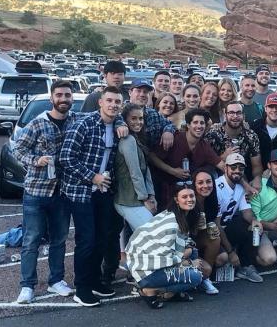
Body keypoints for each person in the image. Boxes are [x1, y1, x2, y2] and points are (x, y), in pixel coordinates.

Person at [59, 86, 125, 306]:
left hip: (104, 191)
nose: (113, 105)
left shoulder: (117, 125)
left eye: (117, 102)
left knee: (102, 238)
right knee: (86, 240)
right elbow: (66, 157)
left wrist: (121, 122)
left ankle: (95, 281)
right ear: (100, 102)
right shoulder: (84, 124)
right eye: (110, 101)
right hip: (81, 191)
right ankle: (82, 288)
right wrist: (92, 177)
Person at [13, 80, 76, 303]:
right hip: (36, 192)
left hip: (63, 192)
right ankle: (27, 285)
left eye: (67, 95)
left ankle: (55, 281)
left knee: (59, 239)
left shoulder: (76, 121)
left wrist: (120, 122)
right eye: (59, 95)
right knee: (31, 240)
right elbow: (18, 149)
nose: (63, 99)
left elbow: (103, 116)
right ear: (52, 98)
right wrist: (35, 160)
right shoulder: (37, 124)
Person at [125, 183, 211, 309]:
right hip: (147, 271)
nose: (189, 199)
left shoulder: (176, 214)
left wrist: (188, 250)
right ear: (176, 200)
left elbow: (183, 241)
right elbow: (165, 258)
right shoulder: (172, 225)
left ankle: (172, 294)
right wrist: (189, 263)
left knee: (193, 252)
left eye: (191, 196)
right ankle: (152, 290)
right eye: (184, 197)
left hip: (151, 260)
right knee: (196, 277)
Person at [149, 108, 223, 211]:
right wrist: (172, 171)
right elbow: (152, 156)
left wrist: (243, 183)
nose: (199, 126)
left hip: (187, 194)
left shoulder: (204, 146)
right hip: (163, 190)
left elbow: (221, 165)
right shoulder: (175, 138)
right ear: (188, 125)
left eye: (202, 123)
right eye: (195, 122)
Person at [215, 154, 263, 283]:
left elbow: (246, 212)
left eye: (241, 168)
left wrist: (254, 221)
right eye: (233, 167)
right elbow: (217, 225)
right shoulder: (217, 186)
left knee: (252, 227)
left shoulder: (241, 186)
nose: (237, 170)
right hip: (214, 232)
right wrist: (230, 252)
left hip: (227, 229)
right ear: (226, 168)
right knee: (222, 258)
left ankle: (245, 266)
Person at [113, 103, 156, 231]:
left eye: (141, 118)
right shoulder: (128, 140)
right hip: (128, 200)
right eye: (133, 118)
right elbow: (135, 172)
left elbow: (146, 170)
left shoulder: (137, 139)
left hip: (138, 199)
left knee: (139, 239)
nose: (138, 122)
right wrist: (145, 199)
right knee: (153, 234)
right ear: (125, 120)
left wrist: (151, 195)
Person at [204, 101, 263, 192]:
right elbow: (204, 164)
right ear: (225, 115)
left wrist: (257, 178)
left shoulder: (251, 136)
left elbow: (257, 165)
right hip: (216, 179)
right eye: (231, 113)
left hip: (242, 177)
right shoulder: (213, 135)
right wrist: (223, 157)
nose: (235, 116)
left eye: (238, 113)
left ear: (243, 116)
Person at [191, 170, 221, 295]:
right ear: (194, 185)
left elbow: (215, 225)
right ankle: (201, 275)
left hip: (198, 240)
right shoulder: (189, 201)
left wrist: (230, 251)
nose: (205, 186)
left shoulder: (211, 200)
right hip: (183, 245)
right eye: (200, 183)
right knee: (207, 269)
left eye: (208, 182)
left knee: (215, 237)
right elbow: (182, 233)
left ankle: (205, 278)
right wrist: (195, 227)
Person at [128, 78, 175, 150]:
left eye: (145, 92)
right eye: (138, 91)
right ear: (130, 92)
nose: (142, 94)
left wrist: (168, 132)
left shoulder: (153, 114)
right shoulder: (120, 113)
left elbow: (170, 124)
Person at [251, 93, 277, 170]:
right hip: (258, 171)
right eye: (271, 106)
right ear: (265, 108)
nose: (274, 110)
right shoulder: (255, 126)